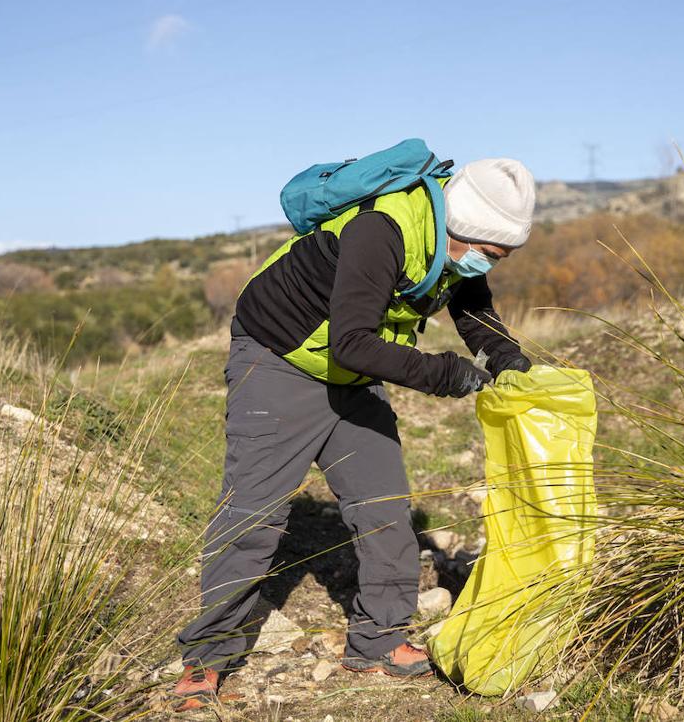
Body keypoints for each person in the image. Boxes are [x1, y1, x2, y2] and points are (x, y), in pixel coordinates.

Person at [171, 156, 536, 711]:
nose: (489, 265)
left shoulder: (454, 243)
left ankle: (379, 641)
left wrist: (509, 363)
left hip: (353, 368)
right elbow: (353, 343)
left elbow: (472, 308)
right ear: (466, 231)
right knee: (254, 512)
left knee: (384, 504)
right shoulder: (382, 230)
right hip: (278, 358)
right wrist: (447, 374)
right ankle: (208, 655)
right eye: (491, 255)